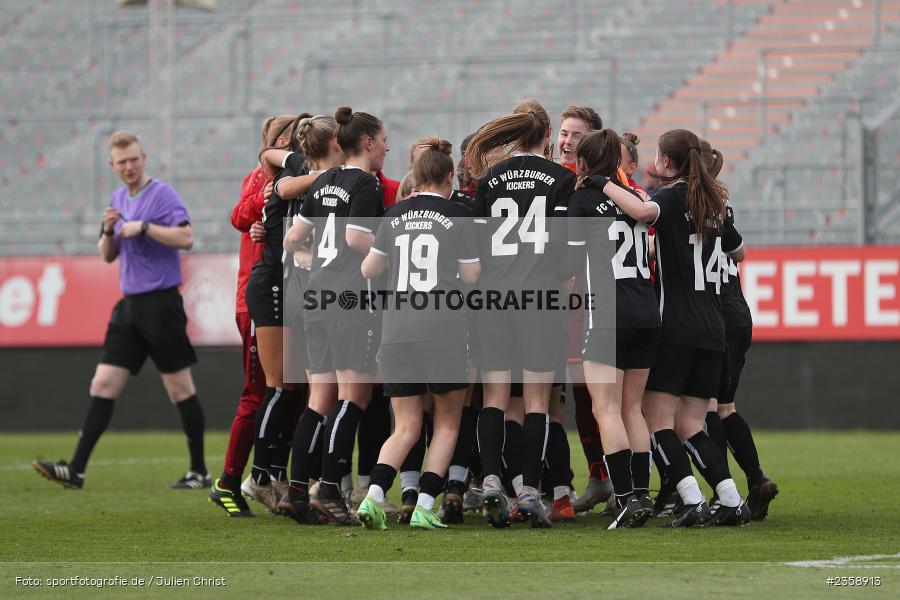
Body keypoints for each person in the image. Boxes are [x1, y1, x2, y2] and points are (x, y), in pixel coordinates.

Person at [33, 131, 206, 490]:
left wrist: (143, 227)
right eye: (121, 162)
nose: (129, 167)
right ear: (112, 165)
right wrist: (108, 230)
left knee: (179, 389)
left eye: (133, 159)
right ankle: (76, 469)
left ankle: (199, 471)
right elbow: (106, 255)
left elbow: (186, 238)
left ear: (144, 158)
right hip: (129, 306)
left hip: (160, 302)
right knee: (103, 382)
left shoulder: (162, 194)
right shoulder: (116, 198)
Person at [594, 129, 751, 527]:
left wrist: (604, 183)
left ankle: (691, 497)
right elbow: (740, 251)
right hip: (713, 327)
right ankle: (730, 498)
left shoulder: (669, 196)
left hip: (676, 325)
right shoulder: (714, 201)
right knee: (693, 424)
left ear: (666, 161)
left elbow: (644, 213)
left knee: (657, 420)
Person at [356, 137, 481, 530]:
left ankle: (374, 496)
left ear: (415, 178)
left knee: (406, 425)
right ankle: (427, 504)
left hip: (397, 331)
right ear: (448, 177)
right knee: (447, 422)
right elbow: (471, 275)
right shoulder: (457, 215)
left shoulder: (393, 215)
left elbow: (369, 271)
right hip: (443, 329)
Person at [464, 99, 576, 529]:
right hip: (539, 299)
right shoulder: (562, 178)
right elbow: (566, 251)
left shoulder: (491, 177)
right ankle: (530, 491)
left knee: (493, 397)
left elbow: (474, 247)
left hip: (493, 297)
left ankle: (492, 481)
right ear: (548, 136)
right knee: (536, 401)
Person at [282, 106, 388, 526]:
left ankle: (295, 492)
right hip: (348, 300)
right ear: (366, 143)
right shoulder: (366, 183)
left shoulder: (323, 180)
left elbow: (293, 238)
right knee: (355, 396)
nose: (386, 147)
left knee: (319, 398)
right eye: (382, 140)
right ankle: (328, 489)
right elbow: (356, 237)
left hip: (316, 297)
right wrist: (392, 253)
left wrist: (316, 263)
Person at [566, 129, 660, 529]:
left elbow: (569, 265)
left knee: (604, 409)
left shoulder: (582, 200)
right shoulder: (636, 197)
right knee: (632, 409)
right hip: (645, 313)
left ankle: (624, 499)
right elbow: (649, 218)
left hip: (606, 315)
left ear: (585, 162)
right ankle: (641, 493)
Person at [241, 114, 321, 513]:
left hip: (289, 284)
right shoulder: (297, 168)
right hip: (272, 280)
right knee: (277, 385)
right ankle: (258, 477)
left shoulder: (298, 171)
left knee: (291, 388)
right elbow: (268, 153)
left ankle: (272, 472)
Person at [698, 140, 779, 521]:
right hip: (737, 310)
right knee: (725, 406)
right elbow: (740, 253)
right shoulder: (718, 203)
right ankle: (756, 478)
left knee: (706, 409)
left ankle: (722, 493)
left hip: (710, 312)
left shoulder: (682, 202)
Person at [208, 116, 280, 517]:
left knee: (289, 391)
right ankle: (229, 481)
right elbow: (238, 216)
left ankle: (267, 476)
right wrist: (263, 199)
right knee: (258, 393)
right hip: (256, 302)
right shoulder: (259, 179)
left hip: (279, 299)